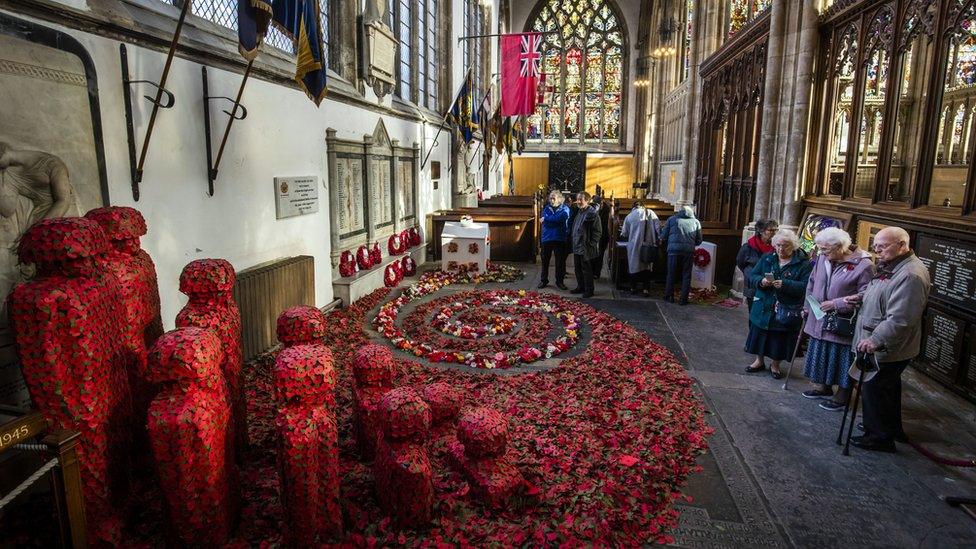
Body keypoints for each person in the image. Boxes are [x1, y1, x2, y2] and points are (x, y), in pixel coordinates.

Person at [846, 227, 930, 453]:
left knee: (874, 387)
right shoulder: (896, 265)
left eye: (883, 246)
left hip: (887, 345)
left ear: (902, 245)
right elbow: (885, 292)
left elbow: (902, 317)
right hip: (881, 341)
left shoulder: (910, 274)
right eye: (876, 246)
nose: (877, 250)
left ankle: (879, 437)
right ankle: (890, 428)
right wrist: (862, 297)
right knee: (887, 388)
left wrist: (876, 339)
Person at [800, 227, 875, 410]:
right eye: (820, 248)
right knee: (821, 353)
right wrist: (807, 307)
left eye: (825, 249)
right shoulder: (822, 259)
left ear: (840, 247)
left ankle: (842, 396)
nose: (821, 252)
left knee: (840, 358)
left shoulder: (864, 265)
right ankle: (823, 387)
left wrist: (837, 303)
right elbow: (812, 282)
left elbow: (867, 294)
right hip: (819, 317)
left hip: (843, 322)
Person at [745, 229, 812, 379]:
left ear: (793, 246)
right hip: (764, 304)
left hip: (786, 308)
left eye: (785, 246)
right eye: (778, 245)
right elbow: (753, 275)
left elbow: (806, 286)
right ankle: (759, 361)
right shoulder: (768, 258)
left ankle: (775, 365)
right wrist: (761, 281)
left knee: (780, 337)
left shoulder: (803, 264)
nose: (781, 249)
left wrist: (785, 284)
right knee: (760, 332)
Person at [659, 205, 703, 305]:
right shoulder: (696, 222)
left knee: (671, 273)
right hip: (688, 252)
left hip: (673, 251)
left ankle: (669, 296)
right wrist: (691, 244)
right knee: (686, 275)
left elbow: (663, 236)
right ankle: (683, 299)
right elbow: (699, 240)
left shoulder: (672, 219)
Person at [619, 199, 659, 296]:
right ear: (643, 206)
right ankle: (646, 289)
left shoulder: (629, 216)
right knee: (647, 267)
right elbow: (658, 227)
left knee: (634, 266)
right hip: (648, 245)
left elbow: (624, 233)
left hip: (634, 245)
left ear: (633, 207)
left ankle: (633, 288)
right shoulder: (650, 212)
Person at [736, 219, 779, 302]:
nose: (774, 233)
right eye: (770, 230)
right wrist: (751, 273)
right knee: (754, 312)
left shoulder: (777, 247)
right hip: (753, 286)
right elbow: (740, 263)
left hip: (770, 286)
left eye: (775, 230)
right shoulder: (748, 247)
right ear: (761, 231)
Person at [570, 191, 601, 298]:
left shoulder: (592, 213)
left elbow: (598, 231)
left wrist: (591, 243)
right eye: (577, 199)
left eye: (580, 200)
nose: (578, 201)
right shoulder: (580, 211)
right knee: (577, 268)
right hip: (577, 244)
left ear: (587, 201)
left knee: (586, 270)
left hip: (585, 246)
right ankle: (580, 287)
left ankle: (589, 290)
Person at [539, 190, 570, 290]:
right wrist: (551, 220)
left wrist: (547, 219)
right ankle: (544, 280)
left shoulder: (565, 209)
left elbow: (561, 219)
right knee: (545, 261)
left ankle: (559, 282)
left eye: (554, 197)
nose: (551, 199)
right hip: (547, 237)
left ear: (559, 199)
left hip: (559, 237)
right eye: (550, 197)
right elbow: (546, 222)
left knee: (560, 262)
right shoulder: (546, 208)